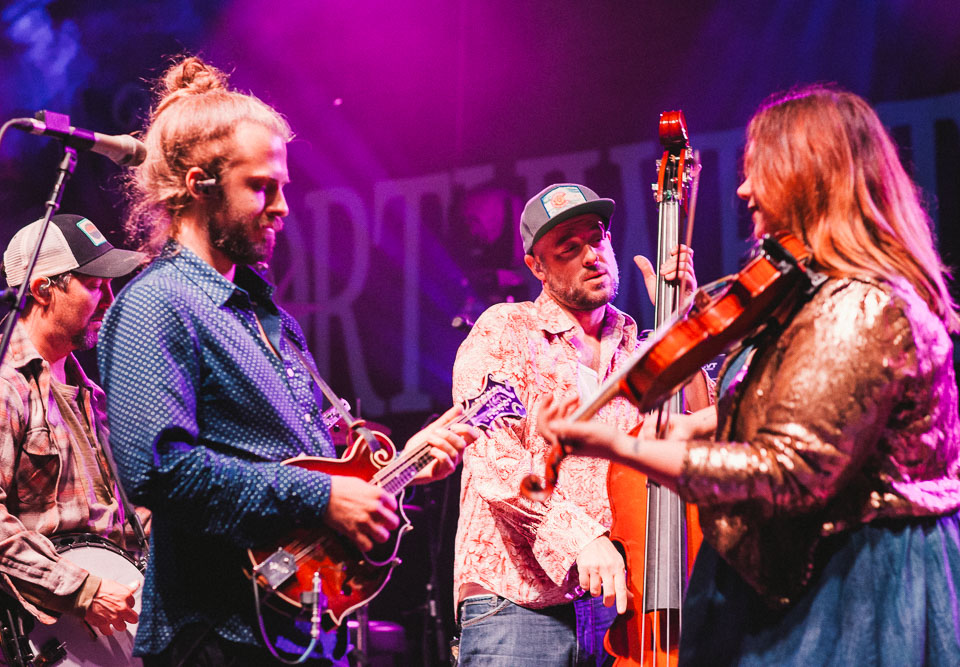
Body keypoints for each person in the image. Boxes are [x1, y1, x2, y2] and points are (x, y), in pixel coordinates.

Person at [539, 85, 960, 665]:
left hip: (861, 583)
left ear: (809, 177)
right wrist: (690, 427)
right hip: (810, 567)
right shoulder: (809, 298)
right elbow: (782, 408)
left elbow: (785, 470)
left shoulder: (859, 305)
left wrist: (614, 444)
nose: (743, 188)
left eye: (760, 170)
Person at [96, 56, 479, 666]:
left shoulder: (267, 315)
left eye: (283, 188)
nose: (282, 207)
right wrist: (319, 497)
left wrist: (399, 469)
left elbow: (306, 461)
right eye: (261, 187)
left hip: (295, 629)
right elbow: (161, 472)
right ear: (199, 185)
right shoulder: (157, 303)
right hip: (215, 634)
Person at [451, 182, 700, 665]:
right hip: (518, 604)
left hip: (618, 606)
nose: (593, 255)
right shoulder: (504, 330)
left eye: (598, 238)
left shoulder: (640, 347)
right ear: (537, 266)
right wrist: (580, 537)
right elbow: (495, 461)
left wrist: (684, 326)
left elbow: (691, 434)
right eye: (569, 247)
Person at [0, 214, 145, 643]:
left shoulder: (92, 396)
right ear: (43, 289)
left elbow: (120, 522)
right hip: (42, 636)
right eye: (95, 284)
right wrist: (80, 589)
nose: (110, 299)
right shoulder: (7, 387)